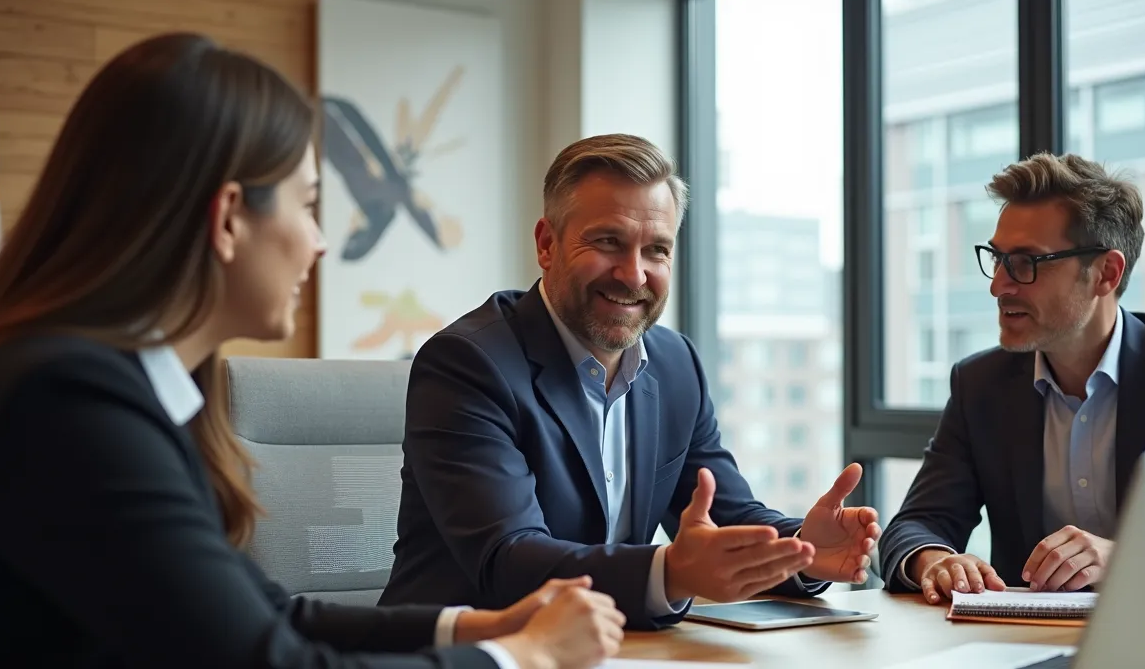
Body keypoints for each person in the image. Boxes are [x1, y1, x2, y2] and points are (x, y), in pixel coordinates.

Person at [0, 32, 625, 669]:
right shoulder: (66, 404)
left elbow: (259, 615)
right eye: (308, 206)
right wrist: (523, 657)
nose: (320, 242)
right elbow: (264, 662)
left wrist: (481, 626)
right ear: (226, 219)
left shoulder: (109, 387)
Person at [377, 133, 881, 630]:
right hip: (469, 655)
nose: (634, 275)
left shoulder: (675, 363)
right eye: (608, 242)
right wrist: (671, 572)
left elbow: (724, 515)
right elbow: (509, 561)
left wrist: (801, 550)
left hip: (614, 652)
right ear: (548, 245)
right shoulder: (469, 363)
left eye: (656, 250)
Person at [879, 152, 1145, 604]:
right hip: (1024, 645)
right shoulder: (980, 385)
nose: (999, 286)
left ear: (1106, 273)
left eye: (1025, 262)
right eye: (998, 258)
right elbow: (917, 524)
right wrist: (933, 558)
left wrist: (1133, 558)